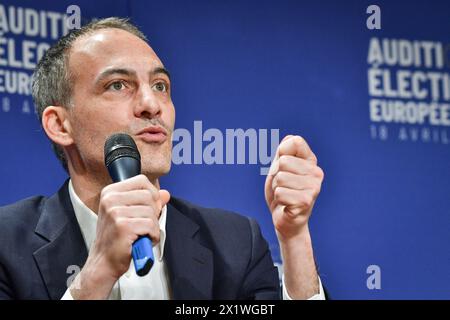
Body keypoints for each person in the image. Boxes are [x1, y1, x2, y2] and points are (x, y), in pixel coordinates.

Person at [0, 17, 325, 300]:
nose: (151, 104)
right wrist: (95, 275)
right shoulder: (6, 244)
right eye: (118, 85)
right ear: (59, 124)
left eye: (160, 85)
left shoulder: (235, 243)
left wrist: (294, 238)